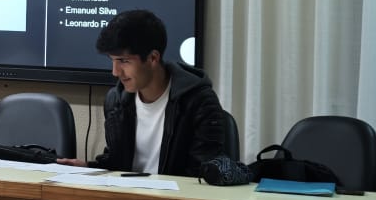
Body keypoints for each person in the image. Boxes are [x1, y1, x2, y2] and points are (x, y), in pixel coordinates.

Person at [57, 9, 240, 176]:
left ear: (153, 58)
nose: (115, 72)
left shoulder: (199, 101)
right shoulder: (116, 101)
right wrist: (87, 168)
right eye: (112, 60)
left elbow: (201, 174)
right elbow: (116, 162)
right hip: (126, 195)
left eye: (124, 61)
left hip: (174, 198)